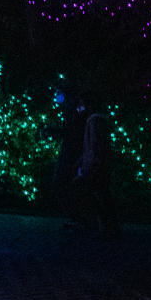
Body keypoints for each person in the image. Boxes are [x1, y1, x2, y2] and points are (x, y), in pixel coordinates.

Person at [69, 98, 120, 239]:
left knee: (85, 192)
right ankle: (108, 226)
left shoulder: (93, 121)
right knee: (102, 195)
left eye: (82, 105)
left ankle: (101, 225)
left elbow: (95, 145)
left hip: (95, 166)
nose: (80, 109)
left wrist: (89, 164)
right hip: (98, 165)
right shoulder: (98, 121)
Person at [50, 90, 86, 217]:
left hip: (73, 154)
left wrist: (54, 132)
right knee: (66, 184)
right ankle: (76, 217)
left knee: (63, 183)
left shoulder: (77, 111)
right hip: (71, 153)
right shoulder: (73, 111)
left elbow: (72, 131)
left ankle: (77, 217)